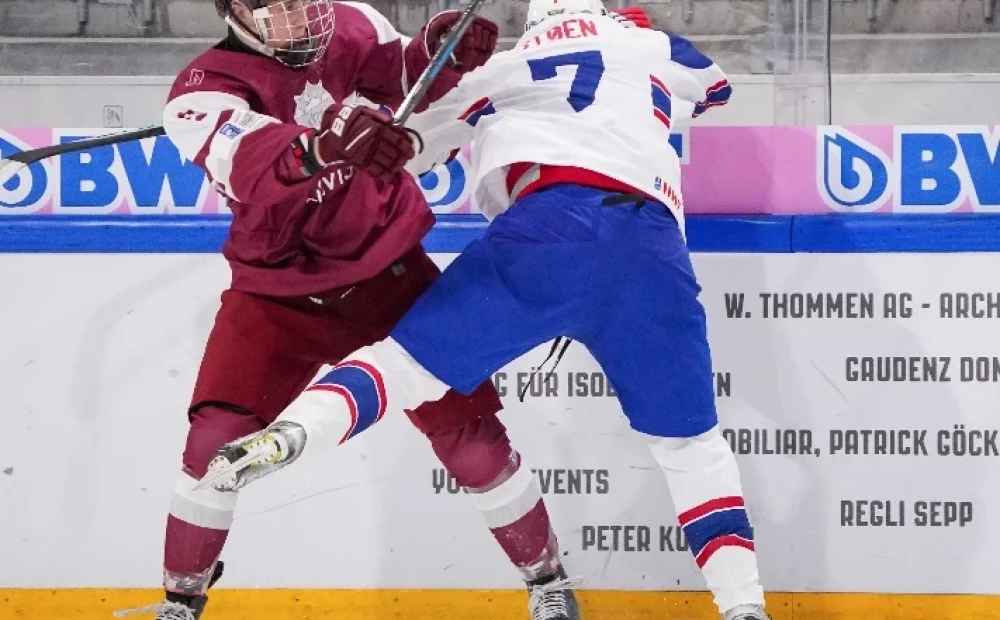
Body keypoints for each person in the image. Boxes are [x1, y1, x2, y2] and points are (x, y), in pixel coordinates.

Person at [200, 2, 771, 620]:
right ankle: (744, 607)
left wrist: (361, 129)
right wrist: (637, 32)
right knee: (691, 449)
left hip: (544, 233)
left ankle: (294, 433)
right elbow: (715, 87)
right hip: (649, 243)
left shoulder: (501, 69)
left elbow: (407, 149)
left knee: (405, 367)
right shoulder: (648, 46)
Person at [121, 2, 585, 619]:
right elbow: (250, 161)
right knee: (214, 445)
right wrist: (323, 147)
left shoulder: (353, 22)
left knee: (469, 438)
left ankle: (547, 581)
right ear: (237, 13)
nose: (305, 18)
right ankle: (179, 602)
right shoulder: (202, 93)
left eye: (305, 0)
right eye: (281, 9)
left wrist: (438, 50)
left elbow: (404, 77)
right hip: (275, 293)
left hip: (389, 277)